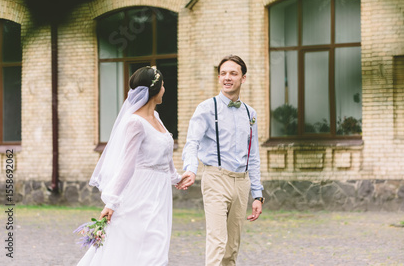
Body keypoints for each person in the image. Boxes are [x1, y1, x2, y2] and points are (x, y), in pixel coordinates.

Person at [77, 66, 183, 266]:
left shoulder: (157, 119)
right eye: (163, 85)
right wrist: (112, 202)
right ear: (156, 88)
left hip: (160, 192)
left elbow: (165, 153)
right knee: (142, 244)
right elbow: (127, 165)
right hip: (140, 191)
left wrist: (176, 177)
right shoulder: (135, 122)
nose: (164, 89)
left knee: (157, 244)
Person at [177, 55, 265, 266]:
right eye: (223, 73)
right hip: (216, 178)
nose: (227, 78)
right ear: (219, 78)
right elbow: (192, 143)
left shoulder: (249, 113)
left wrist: (258, 195)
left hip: (242, 182)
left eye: (233, 73)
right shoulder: (206, 108)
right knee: (218, 241)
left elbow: (253, 156)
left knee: (232, 246)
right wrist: (190, 169)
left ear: (243, 78)